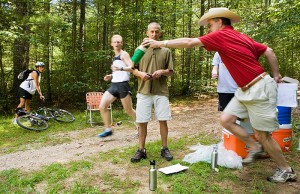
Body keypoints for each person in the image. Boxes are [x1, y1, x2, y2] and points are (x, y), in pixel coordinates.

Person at [143, 8, 296, 183]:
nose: (208, 30)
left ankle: (286, 170)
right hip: (245, 90)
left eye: (209, 25)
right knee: (226, 120)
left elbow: (191, 42)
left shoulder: (222, 35)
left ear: (220, 22)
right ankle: (255, 147)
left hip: (258, 87)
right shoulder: (242, 36)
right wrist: (276, 75)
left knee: (263, 134)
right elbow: (268, 51)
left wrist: (161, 43)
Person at [131, 22, 174, 163]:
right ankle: (141, 150)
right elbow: (132, 68)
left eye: (157, 32)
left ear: (160, 33)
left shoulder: (165, 50)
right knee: (142, 121)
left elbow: (170, 71)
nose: (154, 34)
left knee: (163, 120)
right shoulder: (140, 50)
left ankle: (164, 148)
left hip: (161, 91)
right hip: (143, 90)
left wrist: (162, 72)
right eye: (152, 31)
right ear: (147, 33)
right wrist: (140, 74)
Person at [97, 34, 136, 138]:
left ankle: (141, 127)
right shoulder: (114, 56)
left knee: (129, 110)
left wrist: (120, 69)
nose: (116, 43)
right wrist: (110, 75)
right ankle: (108, 129)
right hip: (114, 85)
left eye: (119, 41)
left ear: (122, 43)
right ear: (111, 44)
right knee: (102, 106)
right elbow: (118, 71)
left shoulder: (124, 54)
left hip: (123, 85)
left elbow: (132, 68)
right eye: (115, 42)